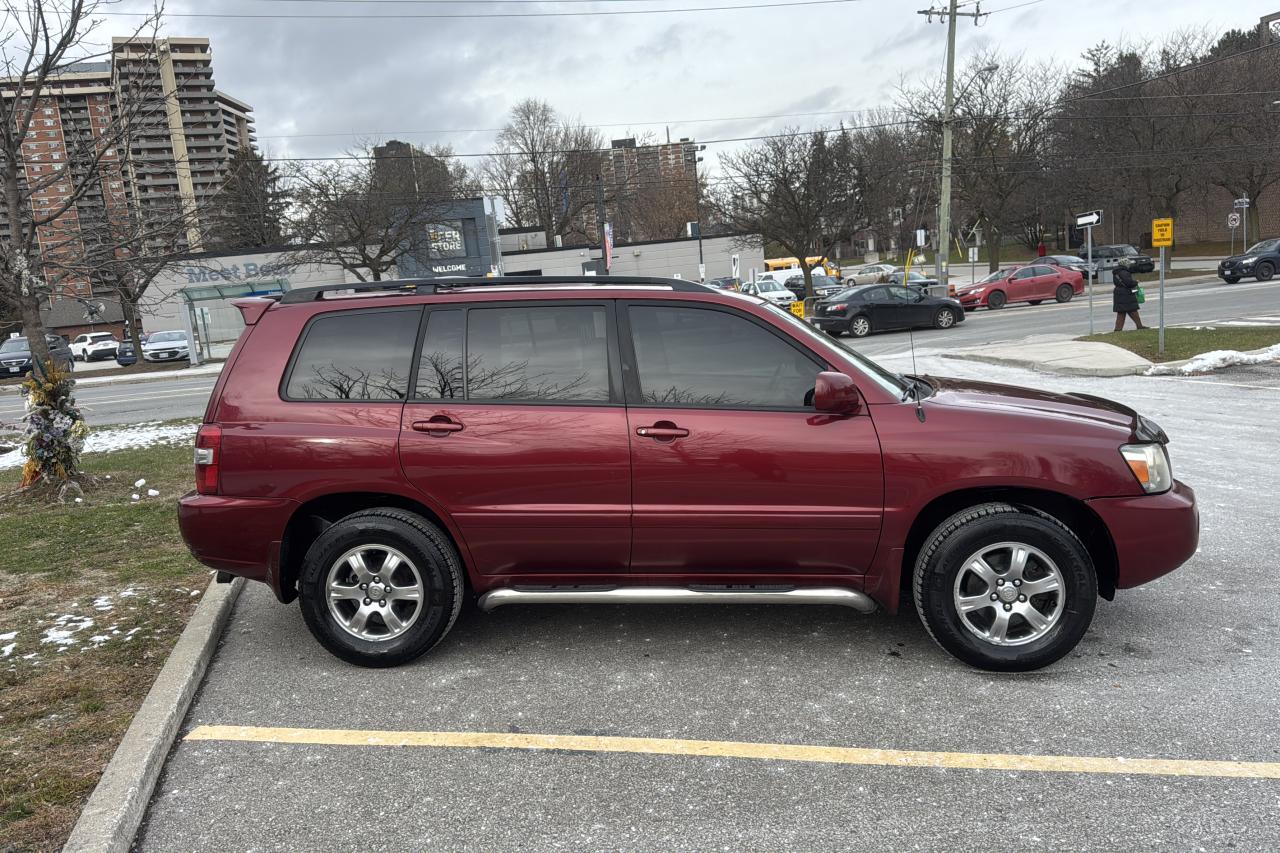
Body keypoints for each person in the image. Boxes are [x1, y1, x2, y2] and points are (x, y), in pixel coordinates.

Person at [1112, 258, 1145, 331]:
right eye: (1128, 264)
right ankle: (1139, 326)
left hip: (1119, 293)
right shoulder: (1124, 272)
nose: (1129, 265)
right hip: (1126, 293)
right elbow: (1128, 283)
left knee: (1122, 312)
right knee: (1132, 311)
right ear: (1125, 264)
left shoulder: (1116, 272)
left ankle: (1118, 329)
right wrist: (1135, 282)